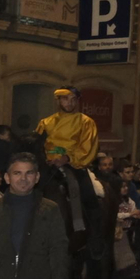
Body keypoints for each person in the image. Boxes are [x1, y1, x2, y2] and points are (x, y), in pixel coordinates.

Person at [36, 86, 100, 232]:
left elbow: (88, 147)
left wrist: (67, 158)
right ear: (58, 100)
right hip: (48, 164)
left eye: (73, 100)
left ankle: (95, 236)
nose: (69, 103)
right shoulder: (45, 122)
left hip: (73, 164)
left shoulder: (86, 122)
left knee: (88, 196)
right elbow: (37, 144)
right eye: (65, 99)